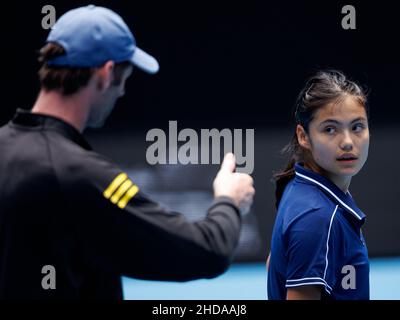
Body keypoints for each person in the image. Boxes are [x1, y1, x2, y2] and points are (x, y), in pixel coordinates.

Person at [0, 5, 255, 299]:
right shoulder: (80, 174)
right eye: (126, 77)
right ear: (107, 73)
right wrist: (229, 201)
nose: (122, 93)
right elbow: (207, 251)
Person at [267, 70, 370, 300]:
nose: (347, 142)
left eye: (357, 127)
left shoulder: (298, 182)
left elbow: (274, 263)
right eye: (330, 129)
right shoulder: (317, 217)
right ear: (304, 136)